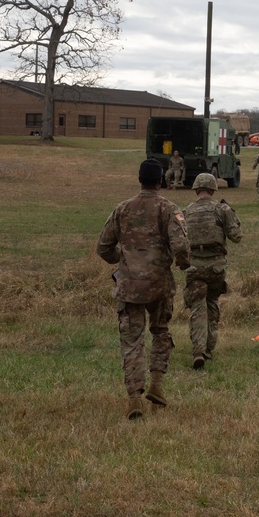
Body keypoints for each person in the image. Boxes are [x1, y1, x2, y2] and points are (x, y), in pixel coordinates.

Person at [96, 159, 190, 420]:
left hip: (129, 288)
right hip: (159, 285)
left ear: (139, 179)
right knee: (160, 332)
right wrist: (183, 263)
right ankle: (157, 385)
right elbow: (181, 246)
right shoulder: (169, 209)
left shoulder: (122, 209)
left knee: (132, 340)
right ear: (160, 180)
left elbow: (103, 247)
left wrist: (122, 260)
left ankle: (134, 398)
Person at [183, 173, 242, 369]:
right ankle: (208, 349)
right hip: (216, 266)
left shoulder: (187, 211)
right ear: (213, 189)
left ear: (196, 189)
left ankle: (198, 350)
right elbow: (236, 236)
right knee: (212, 304)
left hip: (194, 266)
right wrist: (233, 213)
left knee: (197, 308)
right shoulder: (221, 210)